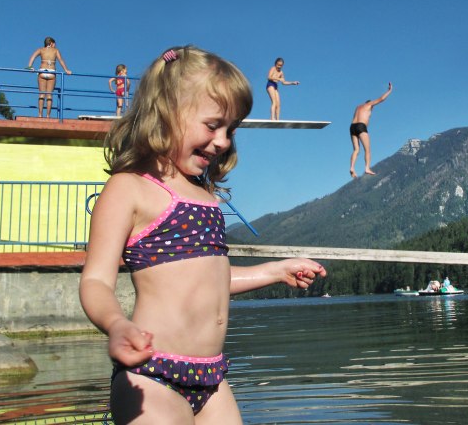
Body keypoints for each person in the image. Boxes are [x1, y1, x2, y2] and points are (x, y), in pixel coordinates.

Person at [79, 46, 327, 424]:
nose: (224, 141)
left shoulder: (207, 197)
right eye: (213, 126)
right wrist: (116, 323)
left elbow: (210, 280)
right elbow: (96, 280)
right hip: (153, 374)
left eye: (231, 129)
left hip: (212, 379)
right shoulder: (129, 189)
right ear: (165, 111)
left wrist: (275, 270)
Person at [349, 82, 392, 178]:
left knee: (356, 149)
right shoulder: (370, 105)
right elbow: (381, 99)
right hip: (361, 126)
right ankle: (367, 168)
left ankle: (352, 167)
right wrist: (389, 91)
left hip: (352, 127)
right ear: (371, 105)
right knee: (367, 150)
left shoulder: (358, 107)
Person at [27, 36, 72, 118]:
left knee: (41, 94)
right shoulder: (55, 50)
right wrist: (66, 70)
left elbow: (32, 57)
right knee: (49, 95)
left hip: (42, 71)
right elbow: (60, 60)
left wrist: (30, 67)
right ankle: (48, 115)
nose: (55, 45)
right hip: (51, 72)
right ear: (51, 43)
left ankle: (40, 114)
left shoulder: (41, 49)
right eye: (54, 44)